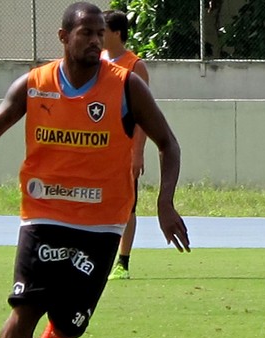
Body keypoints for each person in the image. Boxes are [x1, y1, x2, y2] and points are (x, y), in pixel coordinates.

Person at [0, 2, 190, 338]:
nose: (96, 41)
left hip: (102, 224)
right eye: (86, 34)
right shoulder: (35, 83)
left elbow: (168, 144)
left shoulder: (126, 87)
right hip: (43, 213)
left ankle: (61, 329)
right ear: (63, 37)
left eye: (100, 34)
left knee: (71, 323)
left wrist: (165, 203)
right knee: (24, 308)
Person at [102, 9, 150, 280]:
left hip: (124, 147)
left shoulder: (135, 65)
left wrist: (137, 151)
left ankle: (123, 262)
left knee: (127, 204)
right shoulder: (96, 61)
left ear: (116, 33)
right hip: (100, 147)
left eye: (102, 30)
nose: (97, 35)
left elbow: (143, 115)